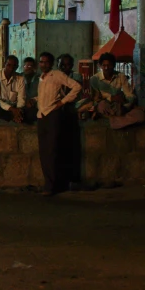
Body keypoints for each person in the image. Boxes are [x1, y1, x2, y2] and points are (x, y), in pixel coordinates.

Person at [36, 51, 82, 196]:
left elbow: (76, 87)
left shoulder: (57, 75)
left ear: (52, 63)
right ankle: (49, 183)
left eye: (46, 62)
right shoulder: (42, 78)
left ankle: (52, 185)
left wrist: (62, 102)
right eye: (41, 62)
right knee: (44, 152)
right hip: (42, 116)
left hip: (53, 115)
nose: (44, 65)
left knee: (52, 150)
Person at [83, 52, 145, 129]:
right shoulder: (95, 79)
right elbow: (95, 99)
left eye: (109, 65)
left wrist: (125, 104)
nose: (106, 68)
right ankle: (119, 120)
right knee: (102, 105)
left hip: (120, 106)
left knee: (140, 115)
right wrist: (111, 98)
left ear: (114, 65)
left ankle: (111, 121)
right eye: (104, 65)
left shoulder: (121, 76)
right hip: (106, 106)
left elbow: (129, 95)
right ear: (100, 66)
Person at [57, 53, 84, 190]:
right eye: (62, 65)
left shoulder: (76, 77)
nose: (64, 68)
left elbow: (73, 94)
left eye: (67, 65)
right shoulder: (53, 77)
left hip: (71, 112)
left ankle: (73, 179)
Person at [0, 55, 26, 123]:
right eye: (9, 65)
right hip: (1, 107)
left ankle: (14, 116)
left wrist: (18, 111)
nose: (11, 68)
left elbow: (21, 99)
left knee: (30, 111)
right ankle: (12, 117)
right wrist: (10, 109)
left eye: (14, 66)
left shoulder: (20, 79)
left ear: (17, 67)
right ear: (4, 64)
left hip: (14, 108)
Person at [22, 57, 40, 122]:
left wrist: (34, 100)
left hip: (36, 105)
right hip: (22, 105)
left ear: (34, 67)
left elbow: (44, 93)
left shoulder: (39, 78)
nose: (27, 68)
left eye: (29, 66)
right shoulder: (19, 77)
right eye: (25, 66)